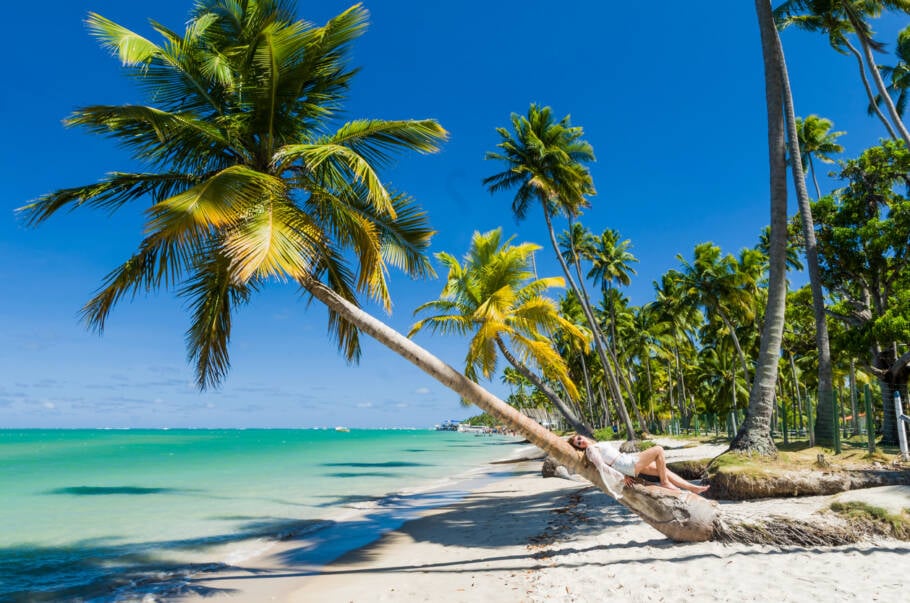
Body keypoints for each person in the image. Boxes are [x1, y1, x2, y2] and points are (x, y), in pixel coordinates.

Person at [568, 434, 709, 495]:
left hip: (626, 461)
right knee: (658, 450)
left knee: (664, 470)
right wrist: (621, 477)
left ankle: (692, 488)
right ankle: (665, 483)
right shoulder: (590, 450)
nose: (581, 441)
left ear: (582, 435)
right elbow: (602, 467)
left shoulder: (594, 445)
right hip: (624, 463)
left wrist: (622, 474)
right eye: (578, 443)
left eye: (579, 438)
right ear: (579, 447)